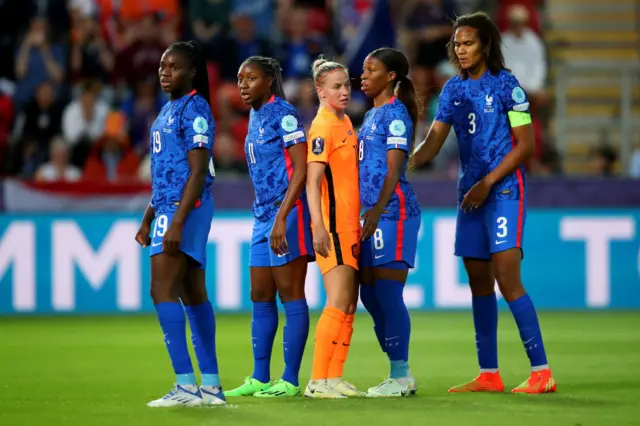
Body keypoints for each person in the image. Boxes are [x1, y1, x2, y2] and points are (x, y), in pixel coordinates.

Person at [412, 12, 556, 394]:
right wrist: (399, 160)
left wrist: (489, 182)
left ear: (486, 45)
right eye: (456, 44)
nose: (460, 50)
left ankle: (542, 371)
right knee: (479, 284)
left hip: (504, 191)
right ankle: (489, 373)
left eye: (468, 43)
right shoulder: (452, 91)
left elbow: (526, 145)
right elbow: (432, 144)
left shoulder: (509, 86)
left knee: (508, 279)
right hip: (470, 196)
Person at [134, 41, 225, 407]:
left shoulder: (195, 108)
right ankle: (212, 386)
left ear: (192, 73)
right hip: (170, 207)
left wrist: (175, 221)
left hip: (184, 208)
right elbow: (166, 172)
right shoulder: (169, 110)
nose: (164, 72)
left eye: (173, 67)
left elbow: (198, 169)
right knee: (192, 293)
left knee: (161, 291)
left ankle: (186, 386)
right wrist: (148, 217)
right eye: (161, 66)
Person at [224, 56, 314, 398]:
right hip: (262, 214)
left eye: (250, 78)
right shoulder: (254, 115)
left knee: (291, 295)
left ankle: (289, 380)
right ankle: (260, 377)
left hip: (286, 213)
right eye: (240, 78)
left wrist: (282, 216)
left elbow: (301, 168)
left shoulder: (284, 113)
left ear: (269, 80)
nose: (243, 85)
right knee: (260, 295)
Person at [357, 47, 421, 397]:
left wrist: (377, 211)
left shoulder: (395, 116)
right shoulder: (371, 115)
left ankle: (400, 374)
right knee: (368, 293)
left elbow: (395, 170)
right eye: (363, 70)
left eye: (371, 70)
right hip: (372, 215)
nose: (363, 75)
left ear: (391, 77)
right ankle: (400, 369)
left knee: (387, 292)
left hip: (393, 214)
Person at [304, 58, 364, 399]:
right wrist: (318, 226)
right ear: (320, 91)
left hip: (350, 225)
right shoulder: (322, 126)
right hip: (334, 226)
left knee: (350, 304)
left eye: (347, 85)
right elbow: (312, 182)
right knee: (338, 300)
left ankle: (334, 376)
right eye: (337, 86)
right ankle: (317, 380)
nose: (344, 91)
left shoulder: (345, 122)